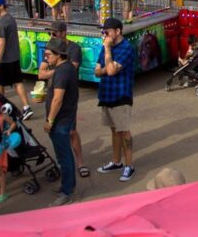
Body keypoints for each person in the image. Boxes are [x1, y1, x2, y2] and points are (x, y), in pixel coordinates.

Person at [37, 20, 88, 177]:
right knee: (57, 133)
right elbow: (41, 73)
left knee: (71, 131)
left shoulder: (73, 48)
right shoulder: (51, 48)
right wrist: (58, 70)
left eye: (54, 33)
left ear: (64, 33)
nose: (51, 36)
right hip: (53, 92)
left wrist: (57, 70)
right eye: (49, 33)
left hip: (68, 96)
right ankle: (65, 164)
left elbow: (71, 69)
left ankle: (80, 163)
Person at [95, 17, 136, 181]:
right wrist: (109, 65)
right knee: (113, 130)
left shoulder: (127, 48)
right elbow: (97, 71)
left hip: (121, 94)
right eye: (104, 32)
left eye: (107, 32)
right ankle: (116, 161)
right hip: (107, 94)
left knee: (123, 130)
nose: (105, 35)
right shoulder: (106, 47)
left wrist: (107, 50)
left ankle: (129, 165)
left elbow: (111, 71)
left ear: (117, 31)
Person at [43, 37, 80, 206]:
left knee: (63, 157)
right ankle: (68, 185)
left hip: (60, 121)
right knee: (65, 155)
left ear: (58, 55)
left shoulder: (62, 71)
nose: (46, 58)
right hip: (66, 117)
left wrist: (50, 120)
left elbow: (58, 99)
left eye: (48, 55)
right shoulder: (66, 68)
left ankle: (66, 192)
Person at [0, 0, 34, 120]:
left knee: (0, 84)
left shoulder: (1, 23)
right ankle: (26, 107)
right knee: (18, 82)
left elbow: (2, 43)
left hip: (4, 59)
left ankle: (0, 108)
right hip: (14, 57)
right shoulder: (11, 19)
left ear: (1, 6)